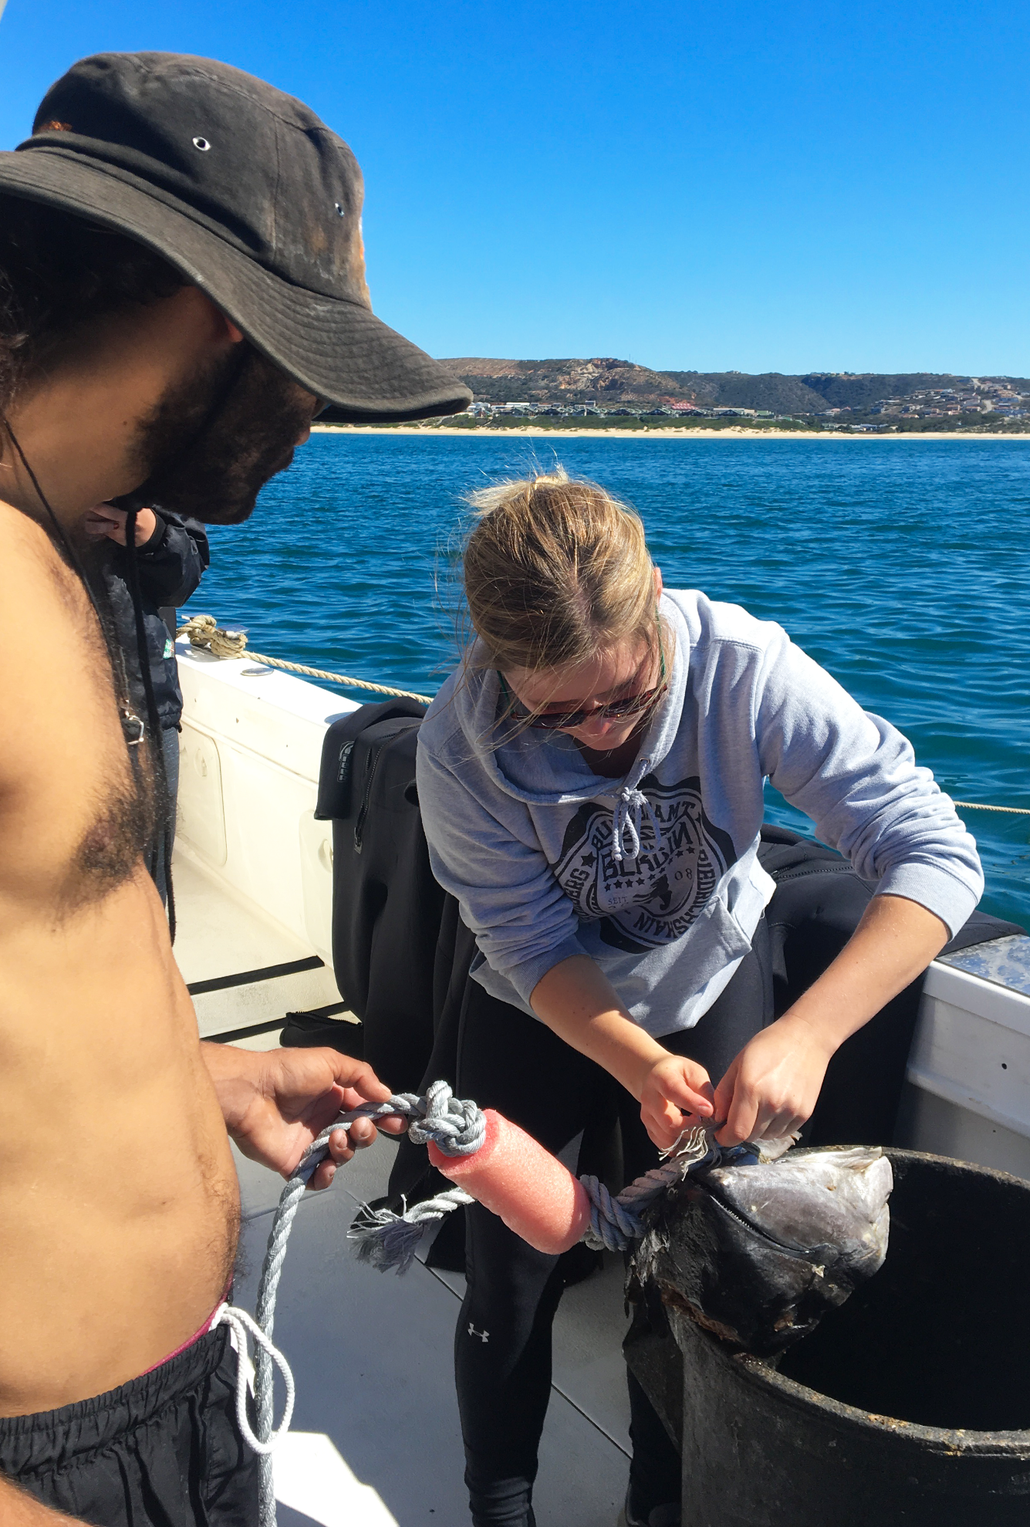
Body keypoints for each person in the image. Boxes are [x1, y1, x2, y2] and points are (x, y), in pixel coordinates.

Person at [0, 50, 469, 1527]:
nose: (311, 420)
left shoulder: (55, 547)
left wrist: (193, 1078)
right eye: (307, 368)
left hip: (169, 1403)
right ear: (216, 315)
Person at [414, 469, 984, 1527]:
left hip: (709, 982)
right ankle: (500, 1506)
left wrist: (807, 1034)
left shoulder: (744, 667)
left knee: (689, 1283)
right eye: (557, 713)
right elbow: (530, 940)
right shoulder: (458, 745)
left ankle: (659, 1504)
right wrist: (633, 1061)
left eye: (625, 700)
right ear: (499, 666)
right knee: (510, 1282)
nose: (596, 733)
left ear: (657, 601)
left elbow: (935, 856)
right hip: (534, 1010)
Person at [85, 500, 210, 911]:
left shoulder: (161, 461)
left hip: (142, 712)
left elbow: (183, 581)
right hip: (29, 714)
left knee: (145, 880)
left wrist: (153, 535)